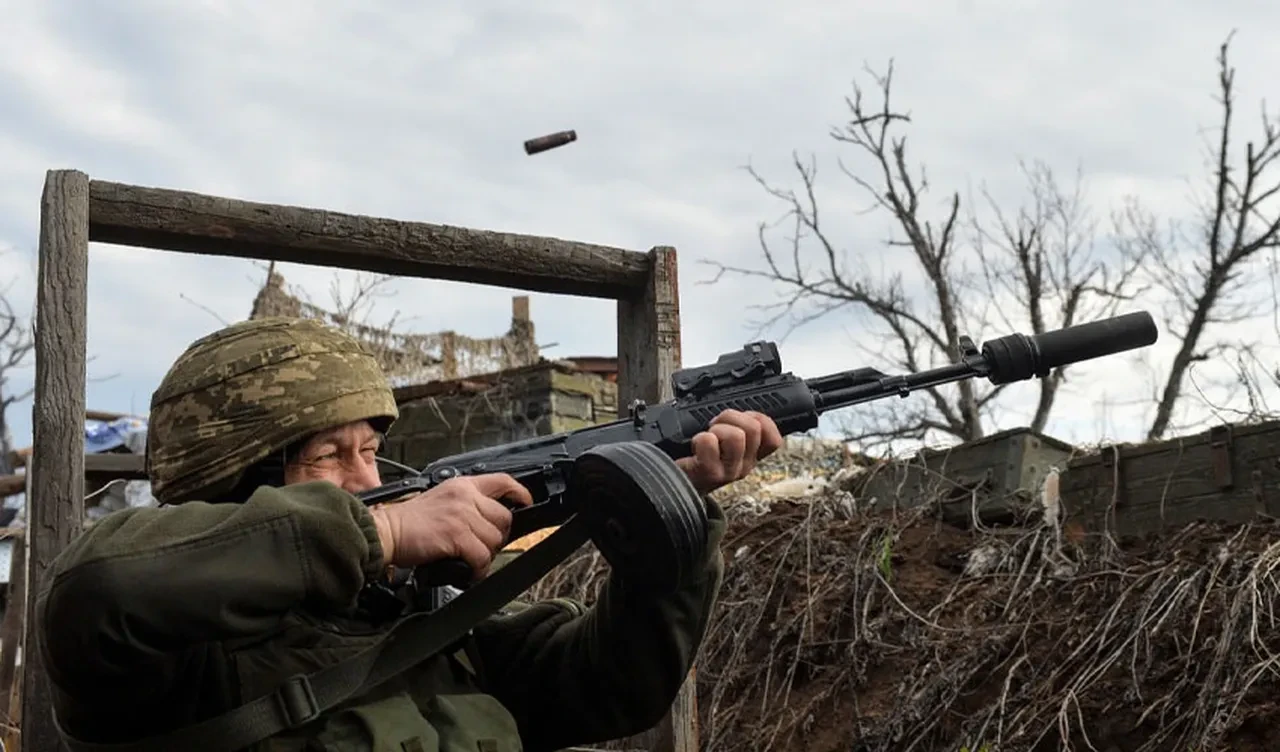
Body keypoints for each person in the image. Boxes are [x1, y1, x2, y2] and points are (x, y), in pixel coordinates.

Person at [37, 316, 784, 752]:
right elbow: (99, 589)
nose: (367, 482)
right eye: (330, 456)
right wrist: (385, 531)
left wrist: (670, 520)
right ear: (234, 482)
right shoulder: (169, 656)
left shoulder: (420, 621)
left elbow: (611, 689)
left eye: (371, 452)